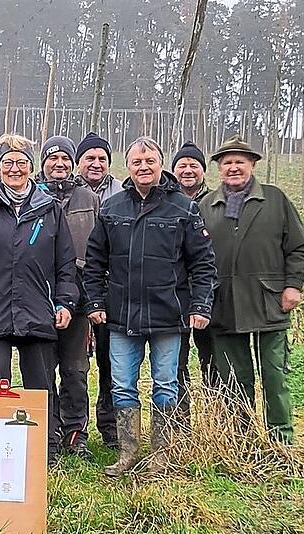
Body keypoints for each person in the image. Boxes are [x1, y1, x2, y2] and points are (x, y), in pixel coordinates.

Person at [83, 136, 217, 477]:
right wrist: (95, 301)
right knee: (122, 384)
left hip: (168, 315)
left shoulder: (184, 209)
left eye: (150, 161)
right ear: (127, 167)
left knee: (165, 383)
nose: (144, 167)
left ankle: (161, 456)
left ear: (161, 165)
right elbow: (95, 260)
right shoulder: (112, 208)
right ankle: (128, 453)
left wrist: (200, 305)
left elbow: (202, 263)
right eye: (137, 162)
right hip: (122, 315)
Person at [0, 134, 78, 466]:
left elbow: (65, 262)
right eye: (8, 163)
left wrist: (64, 302)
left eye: (22, 163)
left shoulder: (49, 208)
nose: (15, 169)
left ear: (31, 168)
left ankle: (45, 451)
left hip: (38, 312)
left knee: (40, 386)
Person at [199, 135, 304, 444]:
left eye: (239, 162)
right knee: (235, 379)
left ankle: (281, 440)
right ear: (218, 169)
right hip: (225, 304)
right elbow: (195, 257)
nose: (233, 168)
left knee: (274, 376)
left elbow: (300, 248)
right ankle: (242, 440)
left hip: (269, 301)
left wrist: (293, 286)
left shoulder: (275, 200)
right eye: (227, 163)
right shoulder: (206, 206)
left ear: (252, 164)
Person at [35, 135, 100, 459]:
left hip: (78, 298)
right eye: (52, 158)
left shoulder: (87, 196)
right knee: (42, 371)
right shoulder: (31, 196)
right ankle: (48, 435)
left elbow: (99, 247)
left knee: (75, 370)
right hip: (38, 298)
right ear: (43, 162)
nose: (58, 164)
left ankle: (76, 434)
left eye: (65, 159)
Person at [75, 132, 124, 449]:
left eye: (101, 158)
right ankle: (69, 426)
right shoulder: (64, 191)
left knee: (111, 362)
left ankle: (111, 428)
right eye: (89, 158)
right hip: (72, 287)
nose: (95, 163)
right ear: (79, 162)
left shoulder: (121, 192)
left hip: (110, 288)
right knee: (73, 363)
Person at [170, 140, 217, 429]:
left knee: (213, 361)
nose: (188, 170)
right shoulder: (167, 203)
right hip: (175, 297)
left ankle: (217, 423)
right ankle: (180, 424)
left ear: (203, 170)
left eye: (193, 165)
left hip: (208, 292)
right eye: (182, 166)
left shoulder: (215, 203)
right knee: (176, 365)